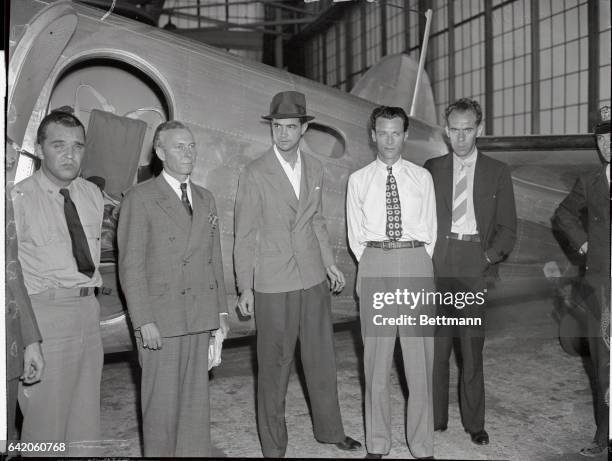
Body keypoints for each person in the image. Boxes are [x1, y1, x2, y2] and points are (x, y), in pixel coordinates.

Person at [234, 91, 361, 457]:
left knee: (321, 359)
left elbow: (317, 221)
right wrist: (246, 286)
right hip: (273, 282)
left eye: (291, 127)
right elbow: (245, 235)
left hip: (312, 279)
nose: (284, 134)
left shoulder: (317, 168)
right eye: (277, 127)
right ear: (271, 128)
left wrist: (329, 263)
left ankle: (330, 431)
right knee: (274, 367)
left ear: (304, 128)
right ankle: (274, 446)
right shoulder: (254, 172)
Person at [117, 120, 229, 457]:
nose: (189, 152)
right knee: (161, 409)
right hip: (161, 321)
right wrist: (143, 320)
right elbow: (130, 265)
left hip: (199, 316)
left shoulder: (205, 198)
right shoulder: (140, 197)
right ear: (160, 152)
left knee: (195, 407)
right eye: (179, 146)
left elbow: (214, 260)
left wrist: (221, 312)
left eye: (192, 145)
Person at [11, 111, 104, 455]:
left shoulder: (92, 194)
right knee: (45, 430)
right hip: (44, 317)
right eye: (58, 145)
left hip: (87, 312)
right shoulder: (16, 199)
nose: (70, 154)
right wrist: (29, 339)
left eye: (77, 146)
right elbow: (8, 277)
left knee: (85, 427)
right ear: (39, 149)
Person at [424, 98, 516, 446]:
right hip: (439, 263)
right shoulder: (431, 168)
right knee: (437, 349)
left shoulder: (497, 171)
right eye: (454, 130)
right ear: (446, 131)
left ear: (479, 129)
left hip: (475, 264)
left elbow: (508, 228)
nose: (461, 138)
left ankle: (474, 423)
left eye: (468, 130)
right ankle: (435, 419)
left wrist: (488, 258)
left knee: (471, 350)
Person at [347, 106, 437, 459]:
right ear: (372, 135)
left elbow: (430, 232)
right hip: (375, 263)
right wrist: (375, 261)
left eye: (395, 132)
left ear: (405, 135)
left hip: (415, 260)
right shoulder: (359, 180)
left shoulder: (421, 178)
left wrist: (414, 261)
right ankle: (378, 443)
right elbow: (356, 236)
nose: (388, 139)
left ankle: (422, 444)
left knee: (419, 362)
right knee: (377, 361)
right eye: (382, 132)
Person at [554, 105, 610, 457]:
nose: (606, 145)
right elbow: (562, 214)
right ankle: (603, 437)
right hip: (600, 286)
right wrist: (584, 241)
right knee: (604, 364)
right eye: (601, 140)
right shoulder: (589, 182)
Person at [5, 141, 44, 445]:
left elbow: (13, 273)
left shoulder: (6, 204)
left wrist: (31, 340)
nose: (9, 160)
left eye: (10, 153)